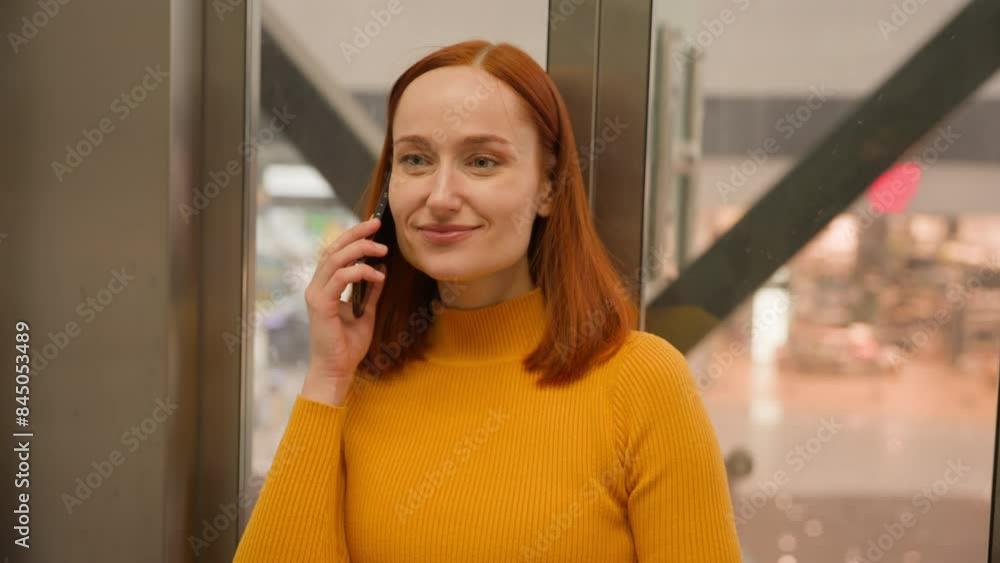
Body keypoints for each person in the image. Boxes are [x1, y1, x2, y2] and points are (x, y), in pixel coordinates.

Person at [233, 39, 741, 562]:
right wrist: (327, 379)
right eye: (415, 159)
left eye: (481, 161)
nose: (441, 196)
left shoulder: (642, 383)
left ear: (547, 185)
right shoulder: (354, 383)